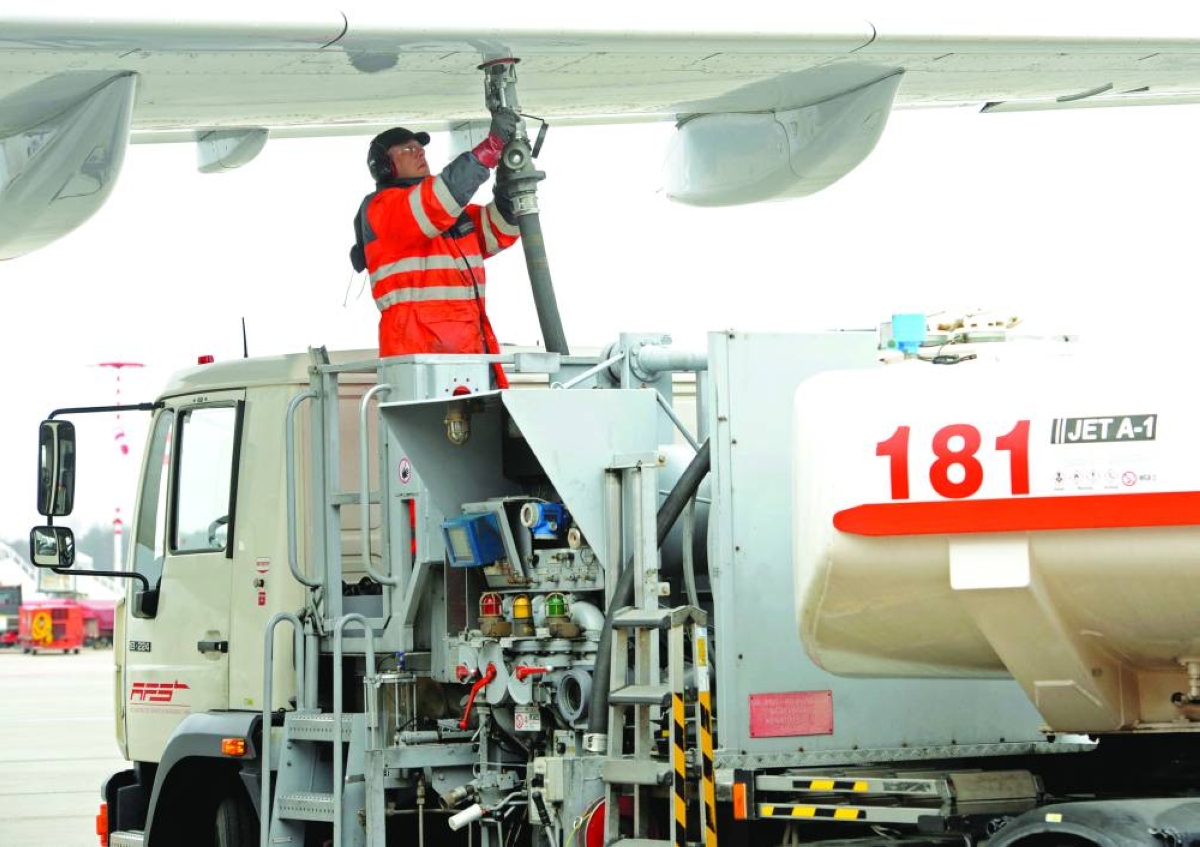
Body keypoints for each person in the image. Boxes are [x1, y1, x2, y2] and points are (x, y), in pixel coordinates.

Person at [349, 110, 521, 386]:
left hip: (470, 359)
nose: (420, 154)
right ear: (385, 166)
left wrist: (508, 182)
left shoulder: (444, 213)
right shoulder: (383, 208)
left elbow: (500, 230)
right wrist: (490, 148)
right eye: (408, 149)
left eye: (421, 148)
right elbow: (439, 199)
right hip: (422, 365)